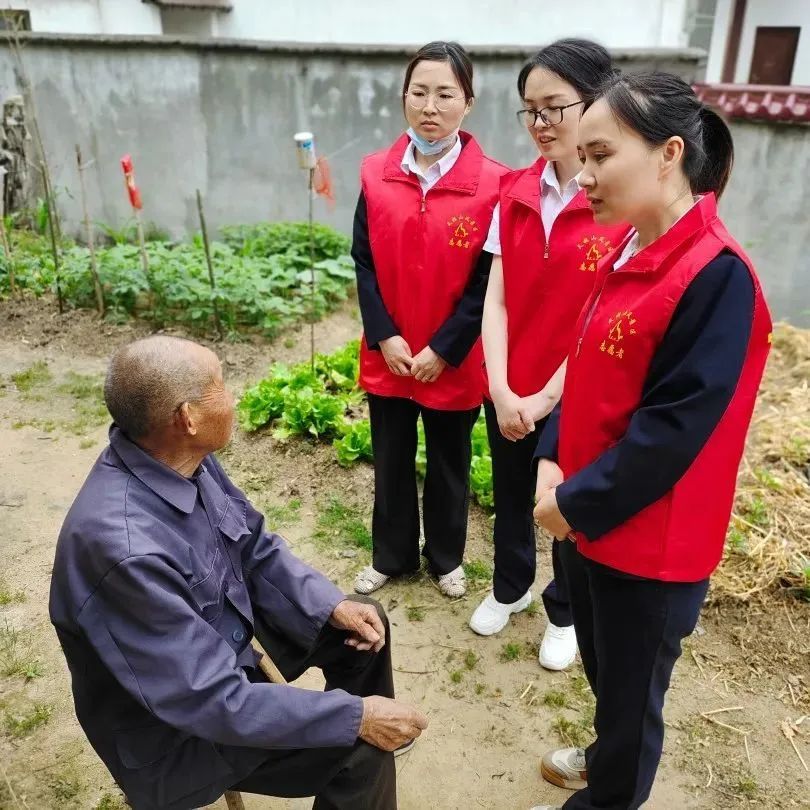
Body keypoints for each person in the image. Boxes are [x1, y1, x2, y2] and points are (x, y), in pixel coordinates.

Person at [49, 336, 428, 810]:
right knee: (360, 749)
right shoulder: (123, 551)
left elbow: (252, 542)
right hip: (177, 734)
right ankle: (373, 730)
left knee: (365, 626)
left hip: (221, 650)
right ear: (187, 418)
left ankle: (378, 722)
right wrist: (355, 719)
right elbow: (212, 700)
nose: (235, 398)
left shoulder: (182, 460)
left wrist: (328, 605)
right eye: (221, 387)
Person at [529, 72, 772, 810]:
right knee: (607, 672)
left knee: (634, 700)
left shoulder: (717, 276)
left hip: (650, 544)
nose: (584, 173)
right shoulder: (627, 251)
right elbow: (587, 366)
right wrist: (550, 456)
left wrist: (571, 503)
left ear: (669, 153)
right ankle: (606, 758)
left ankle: (608, 792)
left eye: (600, 155)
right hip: (589, 518)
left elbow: (674, 431)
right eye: (582, 156)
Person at [468, 40, 629, 673]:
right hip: (511, 381)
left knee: (561, 502)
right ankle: (511, 585)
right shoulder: (511, 192)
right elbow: (497, 300)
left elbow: (602, 318)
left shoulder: (615, 204)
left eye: (553, 108)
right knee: (509, 492)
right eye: (529, 111)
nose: (540, 124)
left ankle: (563, 610)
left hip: (579, 390)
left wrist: (545, 398)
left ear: (595, 106)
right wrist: (504, 388)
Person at [352, 41, 509, 599]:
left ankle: (445, 557)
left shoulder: (495, 184)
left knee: (449, 462)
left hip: (455, 358)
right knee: (390, 458)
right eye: (419, 92)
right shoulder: (375, 173)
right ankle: (390, 555)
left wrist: (444, 348)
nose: (430, 106)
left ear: (468, 102)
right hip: (389, 351)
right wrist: (385, 335)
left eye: (445, 94)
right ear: (404, 98)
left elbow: (487, 281)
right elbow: (364, 260)